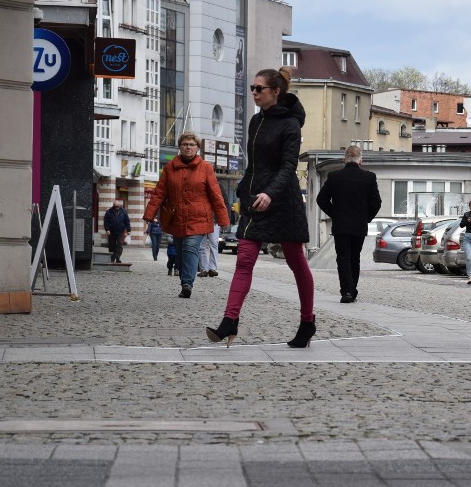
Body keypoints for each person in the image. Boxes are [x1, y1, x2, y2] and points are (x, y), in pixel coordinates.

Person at [206, 67, 315, 348]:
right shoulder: (256, 121)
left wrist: (271, 192)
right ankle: (230, 320)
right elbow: (254, 164)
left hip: (283, 199)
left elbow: (289, 165)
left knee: (296, 261)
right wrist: (246, 187)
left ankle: (307, 321)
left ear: (275, 92)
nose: (253, 92)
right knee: (244, 260)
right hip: (255, 198)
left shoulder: (291, 124)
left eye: (259, 89)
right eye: (252, 88)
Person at [143, 131, 230, 298]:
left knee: (190, 248)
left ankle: (187, 284)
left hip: (199, 218)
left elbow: (216, 195)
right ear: (180, 147)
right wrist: (149, 214)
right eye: (185, 144)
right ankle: (185, 279)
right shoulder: (170, 168)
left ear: (197, 148)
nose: (188, 147)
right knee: (180, 251)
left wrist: (223, 218)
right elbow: (159, 193)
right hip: (176, 217)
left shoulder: (205, 168)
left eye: (191, 144)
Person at [316, 145, 382, 303]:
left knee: (343, 258)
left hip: (341, 225)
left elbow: (321, 199)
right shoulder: (369, 177)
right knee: (355, 258)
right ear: (361, 160)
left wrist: (335, 214)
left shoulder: (334, 176)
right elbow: (376, 203)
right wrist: (365, 217)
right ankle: (352, 290)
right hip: (359, 225)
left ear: (344, 159)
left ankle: (346, 291)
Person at [104, 199, 131, 264]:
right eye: (116, 206)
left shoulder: (123, 211)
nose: (117, 208)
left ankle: (118, 257)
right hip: (111, 231)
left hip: (120, 230)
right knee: (112, 245)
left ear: (120, 206)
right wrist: (107, 229)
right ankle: (112, 258)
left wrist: (128, 229)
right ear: (113, 206)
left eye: (118, 206)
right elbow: (106, 222)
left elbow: (127, 221)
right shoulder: (109, 212)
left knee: (119, 244)